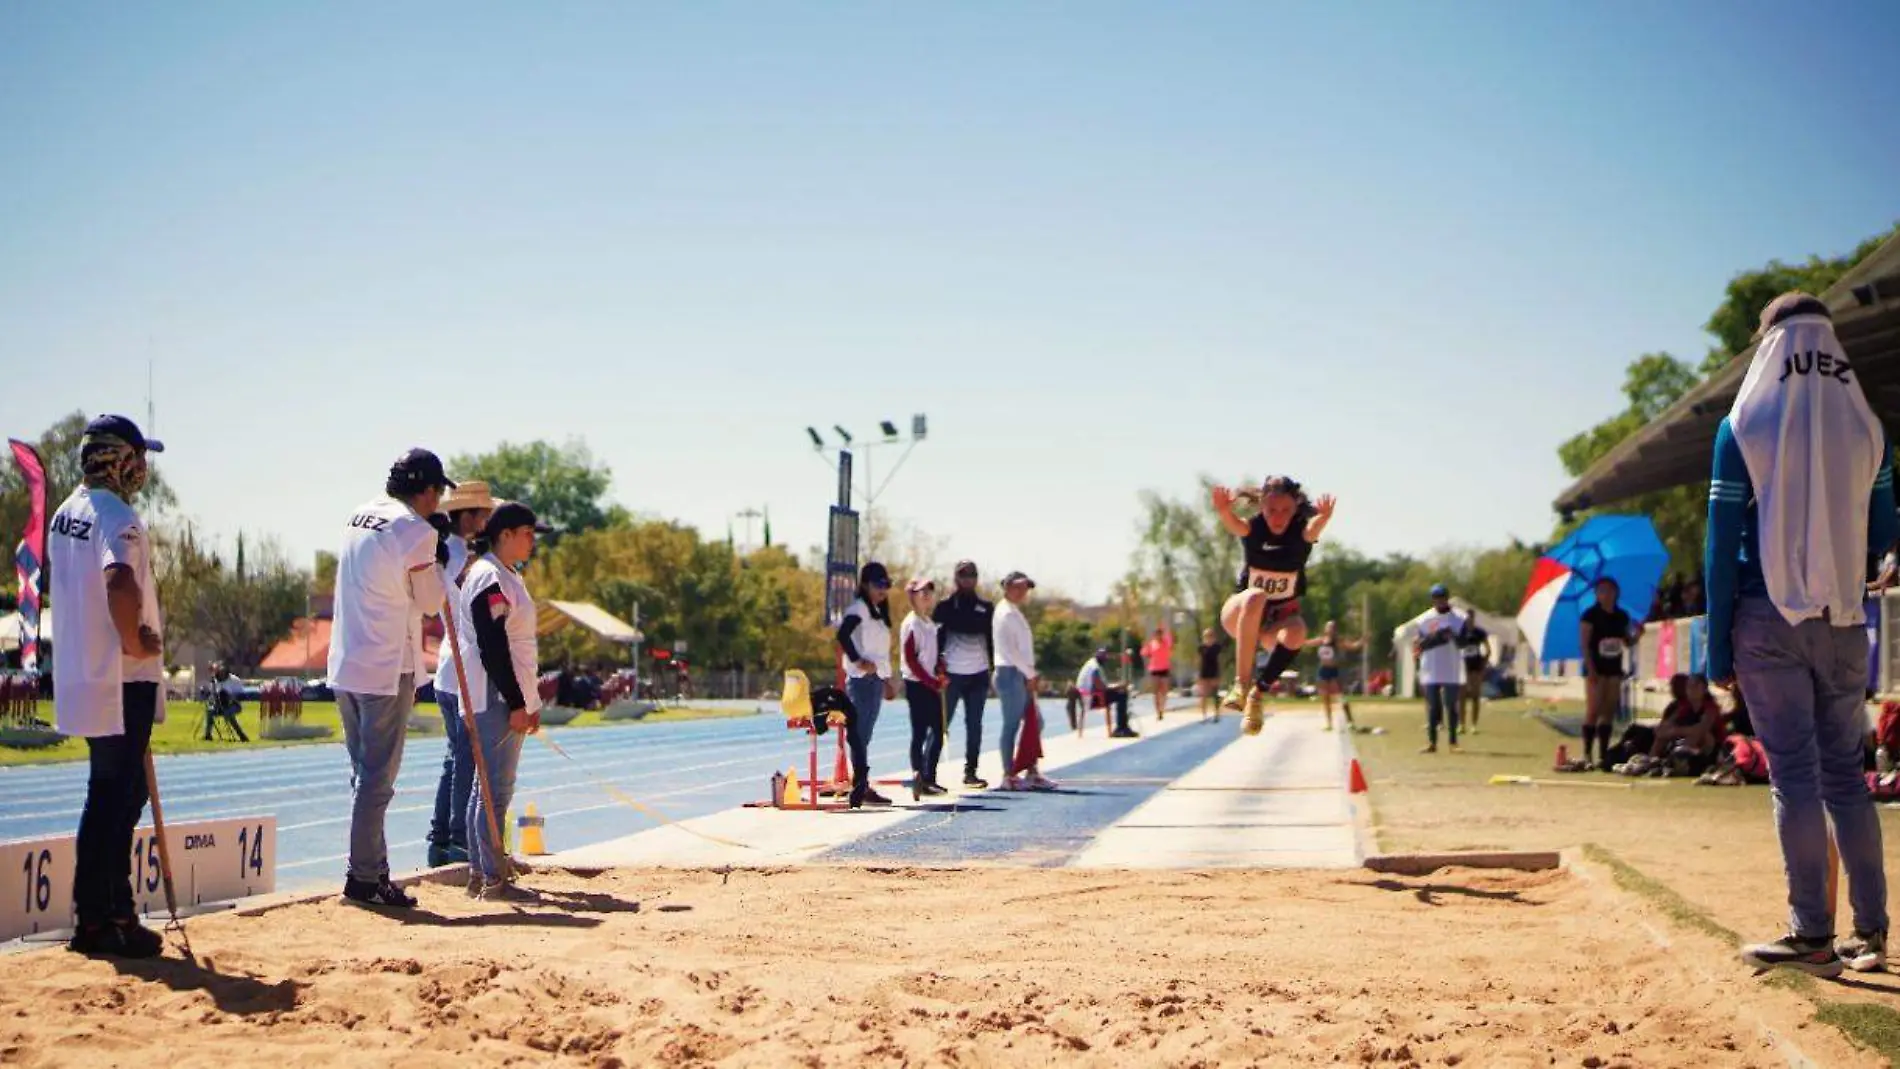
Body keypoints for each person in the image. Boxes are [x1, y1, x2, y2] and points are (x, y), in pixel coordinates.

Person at [1709, 292, 1897, 976]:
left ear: (1768, 344)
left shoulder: (1743, 424)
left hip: (1768, 616)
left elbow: (1719, 539)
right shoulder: (1869, 427)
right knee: (1848, 777)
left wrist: (1715, 644)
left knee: (1793, 773)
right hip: (1845, 620)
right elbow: (1883, 534)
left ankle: (1811, 930)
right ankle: (1872, 933)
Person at [49, 415, 167, 957]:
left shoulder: (64, 514)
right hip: (122, 679)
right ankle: (103, 918)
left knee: (112, 796)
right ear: (120, 460)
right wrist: (136, 641)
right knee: (114, 800)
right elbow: (118, 580)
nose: (143, 469)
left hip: (86, 674)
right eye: (139, 458)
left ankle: (105, 913)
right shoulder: (117, 517)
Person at [327, 447, 454, 908]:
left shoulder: (358, 514)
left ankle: (374, 869)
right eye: (438, 493)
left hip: (345, 661)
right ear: (425, 491)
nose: (438, 503)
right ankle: (363, 876)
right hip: (385, 664)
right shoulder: (414, 529)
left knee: (362, 776)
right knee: (376, 780)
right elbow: (428, 602)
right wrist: (438, 557)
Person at [462, 502, 551, 900]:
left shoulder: (504, 575)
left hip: (505, 695)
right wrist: (516, 701)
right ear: (506, 534)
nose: (533, 542)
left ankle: (481, 873)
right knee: (495, 792)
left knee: (488, 791)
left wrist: (527, 699)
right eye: (528, 533)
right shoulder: (489, 577)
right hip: (496, 697)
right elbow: (493, 647)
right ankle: (493, 878)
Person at [1211, 476, 1338, 735]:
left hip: (1275, 621)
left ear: (1295, 509)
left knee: (1298, 631)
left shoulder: (1300, 532)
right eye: (1271, 510)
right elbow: (1234, 525)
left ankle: (1258, 694)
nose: (1278, 518)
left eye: (1285, 511)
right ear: (1261, 507)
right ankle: (1242, 684)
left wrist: (1324, 517)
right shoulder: (1254, 529)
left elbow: (1313, 530)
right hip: (1240, 614)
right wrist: (1224, 510)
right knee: (1256, 595)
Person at [425, 479, 495, 868]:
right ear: (466, 515)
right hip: (459, 669)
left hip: (452, 667)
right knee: (464, 759)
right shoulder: (453, 554)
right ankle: (455, 838)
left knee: (455, 758)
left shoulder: (456, 551)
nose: (485, 522)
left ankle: (442, 838)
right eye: (482, 515)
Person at [836, 562, 898, 808]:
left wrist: (886, 680)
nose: (883, 590)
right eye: (878, 584)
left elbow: (880, 651)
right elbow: (843, 635)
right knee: (859, 735)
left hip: (875, 680)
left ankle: (861, 783)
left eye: (887, 585)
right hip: (861, 681)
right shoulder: (859, 608)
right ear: (864, 585)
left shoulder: (877, 611)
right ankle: (860, 786)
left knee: (865, 735)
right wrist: (858, 661)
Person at [933, 560, 995, 788]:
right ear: (956, 578)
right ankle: (928, 773)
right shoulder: (944, 607)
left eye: (972, 575)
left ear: (977, 579)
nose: (967, 579)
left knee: (975, 725)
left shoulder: (987, 608)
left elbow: (992, 641)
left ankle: (971, 773)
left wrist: (993, 670)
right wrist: (935, 669)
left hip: (978, 675)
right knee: (940, 724)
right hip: (951, 675)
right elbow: (934, 640)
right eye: (963, 575)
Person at [993, 571, 1055, 790]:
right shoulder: (1005, 613)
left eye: (1025, 587)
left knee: (1035, 721)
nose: (1022, 591)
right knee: (1011, 724)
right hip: (1010, 673)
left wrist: (1029, 673)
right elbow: (1009, 650)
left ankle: (1031, 769)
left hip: (1020, 672)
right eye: (1018, 587)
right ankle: (1008, 774)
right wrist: (1029, 674)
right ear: (1007, 587)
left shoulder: (1014, 612)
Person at [1580, 577, 1638, 770]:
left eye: (1610, 590)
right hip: (1596, 668)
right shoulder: (1590, 615)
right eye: (1602, 590)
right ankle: (1587, 753)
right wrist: (1591, 669)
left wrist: (1638, 633)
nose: (1607, 594)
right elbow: (1585, 645)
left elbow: (1627, 641)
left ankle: (1603, 754)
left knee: (1609, 711)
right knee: (1593, 710)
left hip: (1614, 668)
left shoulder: (1621, 616)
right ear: (1596, 594)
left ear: (1616, 593)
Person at [900, 576, 949, 801]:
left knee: (938, 731)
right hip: (916, 684)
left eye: (930, 590)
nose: (927, 595)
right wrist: (930, 681)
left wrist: (940, 667)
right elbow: (911, 659)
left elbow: (932, 655)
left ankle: (929, 776)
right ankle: (919, 776)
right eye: (922, 591)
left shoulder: (930, 624)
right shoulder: (911, 624)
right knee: (919, 731)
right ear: (913, 596)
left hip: (930, 682)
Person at [1413, 585, 1466, 754]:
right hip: (1431, 667)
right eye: (1436, 597)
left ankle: (1453, 742)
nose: (1439, 600)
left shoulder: (1459, 618)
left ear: (1447, 598)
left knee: (1451, 705)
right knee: (1433, 706)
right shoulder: (1424, 619)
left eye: (1442, 597)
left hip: (1451, 667)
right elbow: (1419, 644)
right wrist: (1433, 638)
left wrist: (1453, 636)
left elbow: (1464, 642)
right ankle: (1432, 742)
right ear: (1432, 599)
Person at [1650, 673, 1722, 770]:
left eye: (1696, 686)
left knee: (1701, 735)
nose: (1691, 689)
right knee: (1661, 737)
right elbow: (1664, 726)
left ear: (1704, 689)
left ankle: (1682, 763)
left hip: (1711, 746)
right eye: (1689, 686)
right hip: (1687, 742)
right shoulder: (1683, 707)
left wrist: (1675, 731)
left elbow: (1701, 729)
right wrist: (1665, 731)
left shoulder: (1710, 708)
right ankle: (1651, 763)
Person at [1074, 647, 1137, 737]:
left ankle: (1122, 727)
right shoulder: (1095, 667)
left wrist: (1116, 686)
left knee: (1120, 691)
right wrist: (1118, 686)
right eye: (1104, 658)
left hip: (1085, 698)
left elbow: (1101, 685)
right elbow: (1100, 687)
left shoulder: (1091, 664)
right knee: (1122, 694)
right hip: (1092, 699)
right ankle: (1121, 728)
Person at [1314, 621, 1360, 732]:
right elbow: (1307, 642)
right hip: (1323, 670)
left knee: (1341, 695)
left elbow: (1351, 646)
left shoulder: (1337, 641)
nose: (1330, 629)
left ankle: (1350, 721)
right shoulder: (1322, 640)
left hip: (1333, 670)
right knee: (1325, 697)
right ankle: (1329, 723)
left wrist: (1361, 642)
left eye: (1332, 627)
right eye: (1328, 627)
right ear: (1325, 629)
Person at [1457, 612, 1492, 734]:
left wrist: (1484, 663)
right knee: (1461, 696)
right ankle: (1461, 724)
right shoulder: (1460, 632)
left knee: (1475, 695)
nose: (1469, 621)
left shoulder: (1480, 632)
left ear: (1474, 619)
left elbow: (1488, 649)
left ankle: (1474, 725)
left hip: (1475, 665)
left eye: (1471, 619)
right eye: (1466, 619)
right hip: (1462, 665)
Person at [1140, 623, 1174, 721]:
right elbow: (1144, 652)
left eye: (1160, 633)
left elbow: (1170, 638)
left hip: (1165, 668)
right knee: (1156, 692)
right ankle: (1158, 711)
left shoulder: (1166, 642)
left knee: (1164, 691)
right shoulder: (1152, 643)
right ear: (1154, 635)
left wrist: (1164, 627)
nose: (1158, 635)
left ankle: (1162, 709)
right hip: (1154, 669)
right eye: (1156, 634)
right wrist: (1145, 646)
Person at [1195, 629, 1223, 722]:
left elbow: (1219, 660)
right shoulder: (1201, 647)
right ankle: (1204, 715)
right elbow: (1199, 661)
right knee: (1203, 695)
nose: (1208, 638)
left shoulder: (1217, 647)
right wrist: (1198, 675)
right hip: (1204, 672)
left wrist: (1219, 674)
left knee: (1215, 694)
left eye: (1210, 636)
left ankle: (1217, 714)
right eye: (1206, 636)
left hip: (1214, 672)